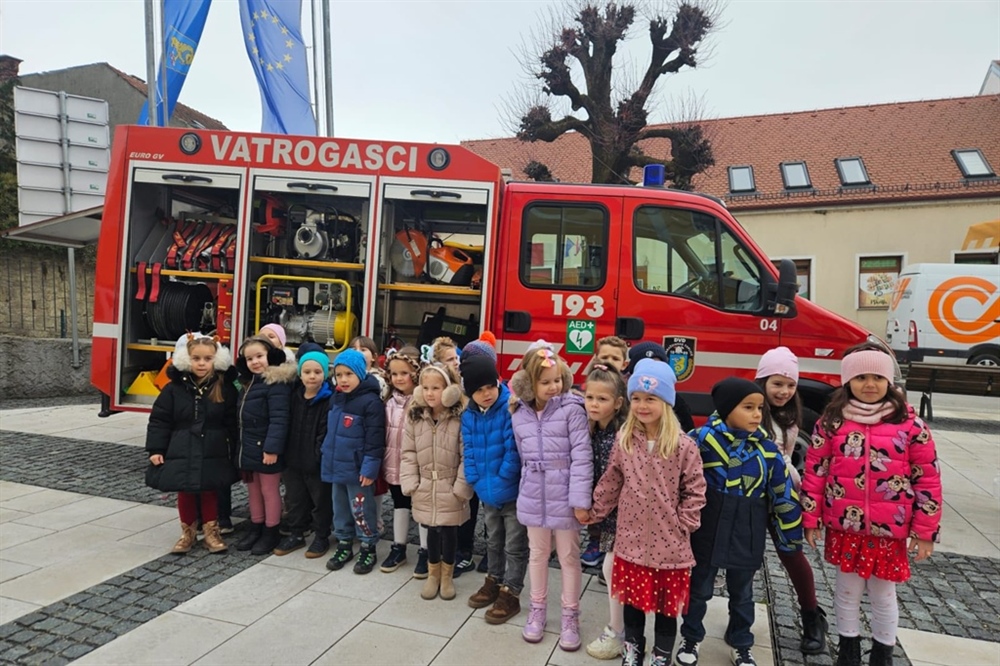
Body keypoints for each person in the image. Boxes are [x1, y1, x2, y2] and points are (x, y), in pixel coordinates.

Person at [801, 344, 942, 666]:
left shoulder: (910, 425)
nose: (869, 384)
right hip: (845, 525)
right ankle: (848, 647)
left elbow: (928, 479)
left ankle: (883, 651)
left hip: (889, 529)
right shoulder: (831, 422)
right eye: (860, 376)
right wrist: (811, 517)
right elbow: (816, 472)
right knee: (846, 591)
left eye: (877, 377)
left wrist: (925, 531)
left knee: (883, 594)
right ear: (847, 381)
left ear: (889, 381)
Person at [581, 359, 707, 665]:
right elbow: (612, 480)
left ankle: (661, 655)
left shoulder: (683, 445)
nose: (642, 405)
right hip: (631, 541)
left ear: (666, 402)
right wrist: (594, 510)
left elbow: (695, 488)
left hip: (670, 546)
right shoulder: (625, 441)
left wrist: (685, 523)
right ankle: (632, 651)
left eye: (650, 399)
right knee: (632, 604)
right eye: (636, 398)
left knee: (666, 609)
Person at [677, 378, 803, 666]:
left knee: (743, 593)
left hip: (747, 529)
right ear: (726, 409)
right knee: (698, 589)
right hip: (706, 528)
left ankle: (741, 640)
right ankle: (691, 636)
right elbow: (679, 481)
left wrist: (790, 534)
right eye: (748, 407)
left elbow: (782, 492)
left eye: (759, 408)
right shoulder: (699, 441)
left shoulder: (767, 451)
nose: (757, 414)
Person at [510, 344, 593, 651]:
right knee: (537, 553)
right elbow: (522, 453)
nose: (553, 387)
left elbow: (582, 457)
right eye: (545, 382)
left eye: (557, 380)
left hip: (566, 493)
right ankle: (537, 609)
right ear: (530, 384)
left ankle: (571, 615)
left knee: (570, 557)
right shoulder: (519, 413)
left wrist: (580, 500)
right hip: (534, 493)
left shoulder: (572, 409)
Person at [754, 347, 828, 654]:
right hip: (752, 494)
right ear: (762, 381)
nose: (784, 391)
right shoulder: (751, 408)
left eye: (790, 385)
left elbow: (784, 457)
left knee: (791, 554)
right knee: (745, 558)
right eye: (777, 383)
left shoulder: (789, 416)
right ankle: (740, 617)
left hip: (783, 495)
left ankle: (813, 616)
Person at [145, 334, 239, 554]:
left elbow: (233, 422)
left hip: (213, 447)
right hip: (182, 446)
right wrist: (156, 448)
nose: (202, 363)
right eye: (196, 358)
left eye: (207, 359)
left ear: (216, 360)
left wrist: (234, 449)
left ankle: (211, 532)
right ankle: (187, 533)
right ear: (187, 360)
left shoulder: (224, 388)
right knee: (185, 491)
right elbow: (160, 419)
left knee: (209, 490)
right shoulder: (173, 389)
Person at [460, 354, 527, 624]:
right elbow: (470, 449)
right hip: (486, 491)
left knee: (514, 544)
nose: (486, 394)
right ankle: (494, 580)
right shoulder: (469, 416)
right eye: (478, 390)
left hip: (509, 490)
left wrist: (502, 478)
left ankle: (511, 591)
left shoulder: (509, 409)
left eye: (490, 386)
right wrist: (474, 478)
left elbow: (514, 449)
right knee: (492, 541)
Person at [400, 363, 473, 601]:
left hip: (450, 484)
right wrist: (411, 481)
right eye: (426, 387)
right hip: (425, 484)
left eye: (437, 388)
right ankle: (433, 574)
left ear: (449, 389)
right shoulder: (416, 415)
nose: (431, 393)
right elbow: (408, 451)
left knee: (450, 530)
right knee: (430, 529)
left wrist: (460, 487)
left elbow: (466, 454)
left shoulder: (459, 417)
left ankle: (447, 575)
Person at [321, 349, 386, 575]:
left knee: (361, 509)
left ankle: (368, 545)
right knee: (340, 508)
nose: (343, 379)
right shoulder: (336, 398)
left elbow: (375, 439)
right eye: (339, 375)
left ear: (360, 373)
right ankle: (344, 543)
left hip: (358, 469)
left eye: (349, 374)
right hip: (336, 465)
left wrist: (370, 468)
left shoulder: (371, 403)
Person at [581, 363, 630, 659]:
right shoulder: (590, 429)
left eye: (602, 399)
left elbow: (615, 481)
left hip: (620, 515)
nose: (594, 404)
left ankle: (618, 631)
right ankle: (621, 628)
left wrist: (594, 510)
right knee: (612, 569)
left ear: (618, 403)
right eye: (589, 397)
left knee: (611, 569)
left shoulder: (620, 435)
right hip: (604, 515)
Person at [233, 335, 296, 556]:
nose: (255, 362)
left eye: (259, 356)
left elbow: (280, 419)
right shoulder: (248, 383)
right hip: (248, 446)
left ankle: (271, 529)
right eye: (250, 358)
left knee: (269, 491)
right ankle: (256, 526)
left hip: (266, 448)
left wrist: (272, 449)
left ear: (270, 356)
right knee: (253, 491)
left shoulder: (275, 383)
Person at [272, 347, 334, 559]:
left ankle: (321, 535)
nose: (312, 376)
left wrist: (317, 456)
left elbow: (325, 432)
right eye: (307, 372)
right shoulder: (294, 396)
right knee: (295, 499)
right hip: (293, 459)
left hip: (316, 462)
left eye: (317, 372)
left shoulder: (329, 399)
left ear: (325, 374)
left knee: (320, 501)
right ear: (300, 373)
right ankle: (296, 533)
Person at [380, 346, 429, 576]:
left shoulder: (421, 402)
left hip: (416, 465)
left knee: (420, 507)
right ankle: (399, 546)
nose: (399, 378)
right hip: (393, 461)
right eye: (394, 373)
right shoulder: (388, 400)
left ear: (415, 374)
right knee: (399, 503)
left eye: (404, 373)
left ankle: (426, 551)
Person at [458, 332, 500, 575]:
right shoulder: (460, 397)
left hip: (493, 467)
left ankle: (490, 552)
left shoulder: (496, 398)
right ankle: (464, 549)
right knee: (467, 507)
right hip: (470, 464)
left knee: (492, 514)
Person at [624, 341, 695, 432]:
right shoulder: (623, 437)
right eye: (645, 365)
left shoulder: (676, 402)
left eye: (650, 399)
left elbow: (689, 430)